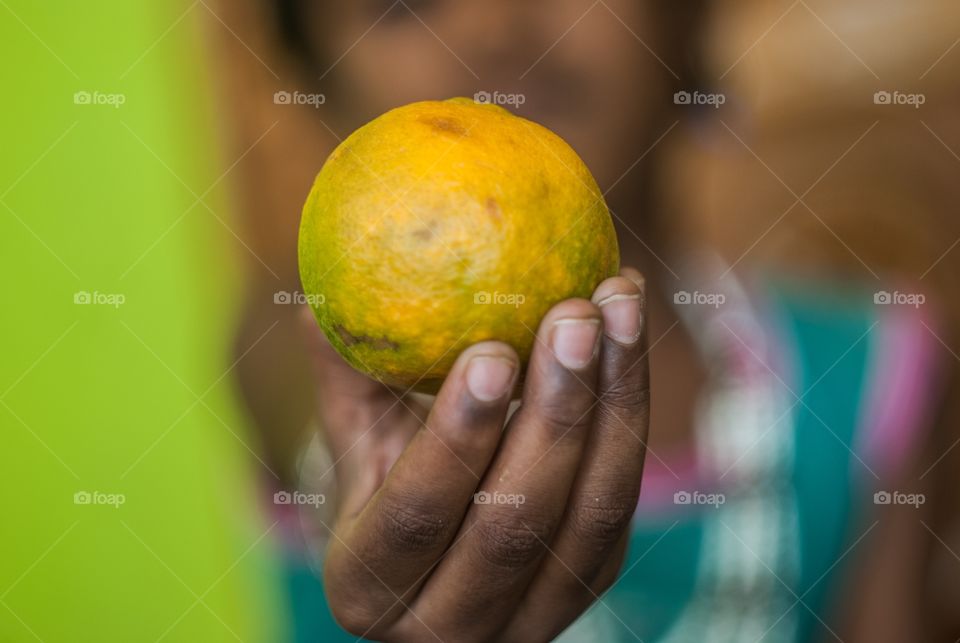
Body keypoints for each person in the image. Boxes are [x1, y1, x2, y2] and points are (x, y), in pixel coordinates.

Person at [210, 1, 960, 640]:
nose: (494, 26)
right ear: (318, 76)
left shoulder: (866, 364)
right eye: (406, 1)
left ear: (687, 26)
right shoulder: (275, 347)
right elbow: (304, 401)